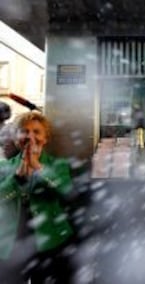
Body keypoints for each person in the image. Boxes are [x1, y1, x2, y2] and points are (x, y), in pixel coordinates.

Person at [0, 111, 74, 283]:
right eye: (24, 131)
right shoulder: (4, 167)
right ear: (16, 138)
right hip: (11, 244)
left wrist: (39, 167)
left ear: (45, 138)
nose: (30, 136)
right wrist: (17, 178)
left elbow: (67, 192)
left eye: (36, 132)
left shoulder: (59, 165)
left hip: (51, 242)